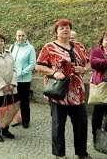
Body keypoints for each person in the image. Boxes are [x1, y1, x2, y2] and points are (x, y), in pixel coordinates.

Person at [35, 18, 91, 159]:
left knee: (81, 124)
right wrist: (54, 72)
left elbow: (89, 64)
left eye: (67, 27)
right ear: (56, 32)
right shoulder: (49, 47)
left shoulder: (79, 46)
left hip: (78, 93)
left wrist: (84, 68)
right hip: (58, 92)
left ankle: (81, 153)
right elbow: (38, 66)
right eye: (62, 28)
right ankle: (60, 155)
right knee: (58, 125)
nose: (65, 30)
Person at [89, 32, 107, 144]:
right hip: (101, 85)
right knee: (98, 114)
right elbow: (94, 63)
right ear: (102, 41)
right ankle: (96, 136)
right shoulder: (97, 51)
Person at [9, 29, 36, 128]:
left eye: (22, 35)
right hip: (13, 79)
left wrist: (22, 72)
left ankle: (25, 121)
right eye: (19, 35)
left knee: (24, 101)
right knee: (15, 100)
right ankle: (17, 119)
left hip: (24, 79)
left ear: (26, 36)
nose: (21, 37)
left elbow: (33, 63)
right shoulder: (12, 47)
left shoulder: (30, 48)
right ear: (16, 36)